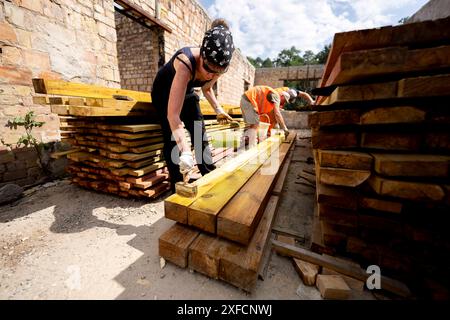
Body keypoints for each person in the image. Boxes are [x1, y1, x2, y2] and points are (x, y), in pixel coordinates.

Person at [151, 19, 235, 192]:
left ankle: (208, 173)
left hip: (188, 91)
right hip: (164, 92)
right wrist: (186, 152)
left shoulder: (218, 63)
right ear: (202, 54)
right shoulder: (185, 62)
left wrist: (218, 110)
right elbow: (173, 116)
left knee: (199, 130)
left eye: (217, 72)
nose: (210, 75)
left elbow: (207, 88)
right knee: (172, 137)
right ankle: (178, 184)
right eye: (207, 68)